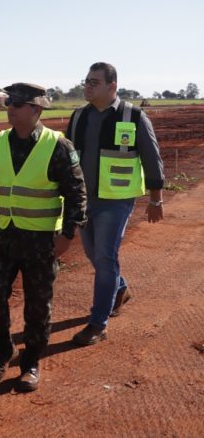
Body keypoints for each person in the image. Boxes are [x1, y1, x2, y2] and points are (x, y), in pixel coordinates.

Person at [0, 83, 87, 392]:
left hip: (39, 241)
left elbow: (77, 194)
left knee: (38, 306)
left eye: (18, 104)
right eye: (9, 102)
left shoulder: (59, 146)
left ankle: (31, 362)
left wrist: (67, 235)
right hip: (1, 237)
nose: (10, 108)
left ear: (36, 109)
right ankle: (3, 348)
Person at [68, 62, 165, 346]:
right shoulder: (78, 117)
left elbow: (151, 157)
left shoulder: (133, 116)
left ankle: (98, 324)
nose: (87, 85)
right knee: (92, 254)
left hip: (117, 201)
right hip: (86, 199)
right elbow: (67, 158)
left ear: (112, 87)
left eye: (94, 82)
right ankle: (120, 289)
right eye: (86, 80)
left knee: (105, 257)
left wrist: (156, 197)